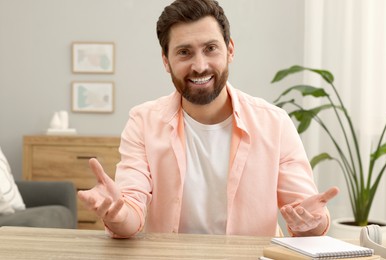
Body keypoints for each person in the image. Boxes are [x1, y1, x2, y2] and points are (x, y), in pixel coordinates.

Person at [78, 0, 339, 238]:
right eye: (184, 52)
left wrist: (311, 222)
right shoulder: (142, 122)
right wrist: (118, 214)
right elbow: (130, 214)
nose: (200, 65)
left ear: (230, 50)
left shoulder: (275, 123)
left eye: (210, 48)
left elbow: (308, 218)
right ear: (166, 61)